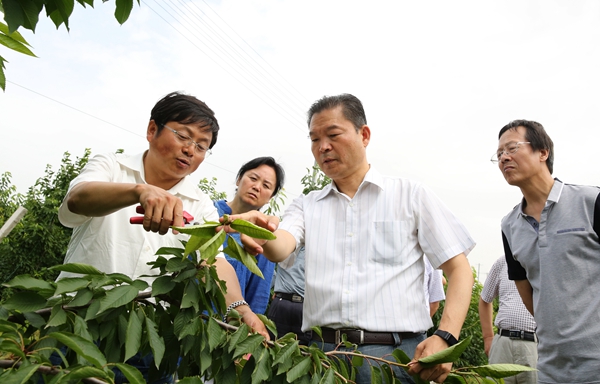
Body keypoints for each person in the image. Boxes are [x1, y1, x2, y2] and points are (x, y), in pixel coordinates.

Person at [226, 93, 476, 384]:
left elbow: (459, 269)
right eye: (314, 139)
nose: (323, 147)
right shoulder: (307, 205)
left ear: (364, 134)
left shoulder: (410, 196)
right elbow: (281, 245)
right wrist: (259, 231)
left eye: (333, 135)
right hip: (323, 358)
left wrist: (444, 336)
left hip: (396, 358)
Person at [57, 91, 267, 383]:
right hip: (76, 322)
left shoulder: (200, 203)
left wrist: (239, 308)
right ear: (152, 130)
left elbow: (212, 261)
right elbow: (76, 201)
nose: (190, 150)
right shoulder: (111, 167)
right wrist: (138, 192)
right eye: (183, 135)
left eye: (201, 145)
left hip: (147, 339)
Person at [494, 119, 600, 383]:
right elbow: (527, 291)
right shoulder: (509, 225)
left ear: (543, 152)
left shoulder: (591, 202)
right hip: (550, 367)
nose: (504, 157)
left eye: (512, 148)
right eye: (498, 154)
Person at [214, 156, 285, 315]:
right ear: (239, 179)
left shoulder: (262, 235)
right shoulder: (208, 211)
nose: (257, 187)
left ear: (270, 198)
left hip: (227, 327)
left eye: (266, 185)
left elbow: (258, 295)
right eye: (253, 178)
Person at [478, 256, 537, 384]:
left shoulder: (545, 260)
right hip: (502, 344)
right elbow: (485, 299)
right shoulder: (503, 262)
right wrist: (488, 337)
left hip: (534, 344)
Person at [267, 246, 312, 344]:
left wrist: (277, 287)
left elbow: (269, 270)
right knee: (301, 352)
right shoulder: (317, 248)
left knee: (274, 346)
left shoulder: (286, 243)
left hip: (282, 301)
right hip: (303, 306)